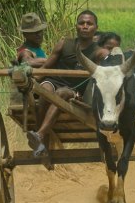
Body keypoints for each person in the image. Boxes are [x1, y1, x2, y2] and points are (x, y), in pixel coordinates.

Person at [26, 10, 109, 157]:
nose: (84, 26)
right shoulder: (64, 44)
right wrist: (31, 84)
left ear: (96, 27)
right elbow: (46, 68)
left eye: (89, 24)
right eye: (81, 23)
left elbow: (104, 80)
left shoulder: (100, 53)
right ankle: (40, 140)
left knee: (61, 93)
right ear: (76, 26)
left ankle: (39, 135)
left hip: (76, 91)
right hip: (53, 81)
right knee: (44, 89)